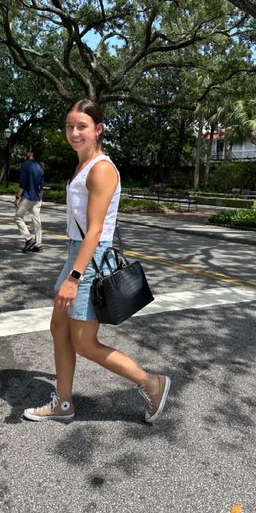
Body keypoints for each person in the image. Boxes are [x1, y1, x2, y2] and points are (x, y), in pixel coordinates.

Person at [23, 99, 170, 424]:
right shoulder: (83, 165)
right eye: (69, 126)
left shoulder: (101, 169)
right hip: (77, 254)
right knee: (59, 328)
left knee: (85, 343)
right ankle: (63, 403)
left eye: (82, 127)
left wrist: (74, 277)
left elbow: (96, 230)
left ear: (98, 129)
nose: (74, 133)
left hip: (88, 258)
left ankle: (152, 383)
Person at [14, 149, 45, 253]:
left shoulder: (25, 165)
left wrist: (17, 198)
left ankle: (29, 239)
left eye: (28, 151)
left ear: (31, 153)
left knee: (18, 217)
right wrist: (41, 199)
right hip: (37, 198)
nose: (26, 153)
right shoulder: (40, 167)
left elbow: (22, 184)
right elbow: (41, 186)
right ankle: (38, 245)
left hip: (27, 197)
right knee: (37, 221)